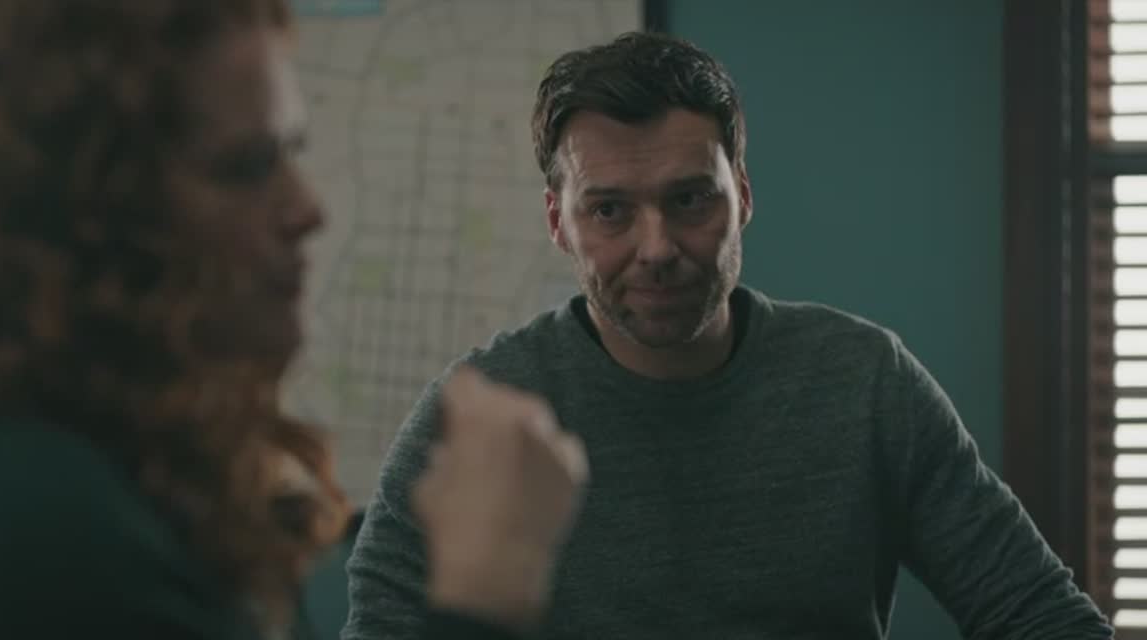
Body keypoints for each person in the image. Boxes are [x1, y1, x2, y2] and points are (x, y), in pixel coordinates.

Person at [343, 31, 1115, 639]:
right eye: (609, 210)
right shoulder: (474, 420)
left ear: (742, 195)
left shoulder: (864, 383)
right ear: (558, 222)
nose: (657, 248)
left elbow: (1044, 617)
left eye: (690, 200)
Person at [0, 1, 585, 639]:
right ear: (87, 219)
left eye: (291, 154)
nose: (307, 210)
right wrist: (487, 593)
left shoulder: (137, 464)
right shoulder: (32, 516)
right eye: (246, 167)